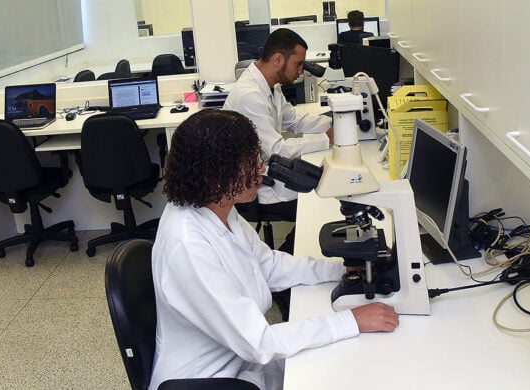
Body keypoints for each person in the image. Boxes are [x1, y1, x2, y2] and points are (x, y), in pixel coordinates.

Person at [149, 109, 399, 390]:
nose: (262, 168)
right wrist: (350, 321)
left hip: (241, 362)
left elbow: (267, 265)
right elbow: (260, 343)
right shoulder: (187, 246)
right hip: (211, 381)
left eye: (257, 157)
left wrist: (340, 270)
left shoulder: (217, 206)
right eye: (250, 162)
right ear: (216, 176)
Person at [223, 28, 334, 256]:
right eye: (298, 64)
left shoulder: (270, 87)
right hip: (255, 186)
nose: (301, 71)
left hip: (268, 170)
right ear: (277, 59)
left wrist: (334, 123)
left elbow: (294, 120)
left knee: (325, 188)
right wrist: (326, 140)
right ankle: (287, 261)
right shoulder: (250, 96)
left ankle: (289, 259)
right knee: (319, 204)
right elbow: (276, 150)